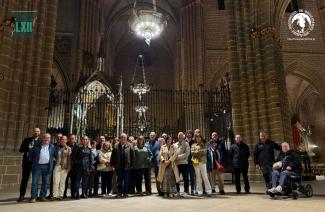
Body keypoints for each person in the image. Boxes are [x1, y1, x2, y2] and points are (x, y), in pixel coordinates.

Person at [29, 133, 57, 203]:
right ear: (42, 138)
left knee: (45, 183)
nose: (46, 139)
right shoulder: (36, 146)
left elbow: (55, 156)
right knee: (35, 182)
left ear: (50, 139)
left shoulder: (53, 147)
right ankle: (33, 197)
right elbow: (31, 156)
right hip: (37, 166)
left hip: (47, 166)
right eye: (45, 137)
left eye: (48, 138)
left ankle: (42, 196)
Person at [17, 128, 41, 202]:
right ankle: (21, 195)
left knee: (35, 180)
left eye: (38, 131)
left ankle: (33, 196)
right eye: (35, 131)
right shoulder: (27, 140)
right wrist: (28, 148)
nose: (36, 132)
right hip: (27, 162)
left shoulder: (41, 141)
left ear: (39, 132)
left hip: (36, 163)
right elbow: (20, 150)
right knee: (24, 179)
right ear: (33, 132)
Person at [111, 133, 134, 198]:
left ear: (126, 138)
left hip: (127, 166)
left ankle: (125, 192)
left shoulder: (130, 145)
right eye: (122, 137)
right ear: (120, 138)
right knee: (119, 180)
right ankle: (119, 192)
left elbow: (132, 156)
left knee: (126, 180)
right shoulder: (116, 146)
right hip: (119, 166)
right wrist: (112, 164)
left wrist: (132, 164)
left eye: (124, 137)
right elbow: (113, 156)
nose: (123, 139)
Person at [52, 136, 72, 200]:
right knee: (56, 181)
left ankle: (61, 195)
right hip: (57, 166)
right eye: (62, 139)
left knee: (62, 182)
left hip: (64, 167)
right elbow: (53, 156)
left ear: (66, 141)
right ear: (60, 140)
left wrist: (68, 167)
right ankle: (55, 195)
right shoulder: (56, 148)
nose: (63, 140)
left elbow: (69, 159)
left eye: (65, 139)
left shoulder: (68, 148)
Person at [64, 134, 78, 198]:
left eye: (73, 138)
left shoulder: (78, 146)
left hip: (74, 167)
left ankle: (73, 194)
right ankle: (64, 194)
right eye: (70, 138)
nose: (72, 140)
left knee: (74, 181)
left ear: (75, 139)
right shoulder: (65, 146)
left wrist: (74, 162)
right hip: (66, 166)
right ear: (68, 139)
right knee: (65, 180)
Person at [185, 130, 196, 195]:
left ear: (192, 134)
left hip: (192, 161)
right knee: (186, 177)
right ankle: (186, 190)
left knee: (192, 176)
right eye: (188, 133)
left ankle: (192, 189)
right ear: (186, 134)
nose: (189, 134)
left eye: (190, 133)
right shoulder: (184, 141)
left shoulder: (194, 141)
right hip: (185, 161)